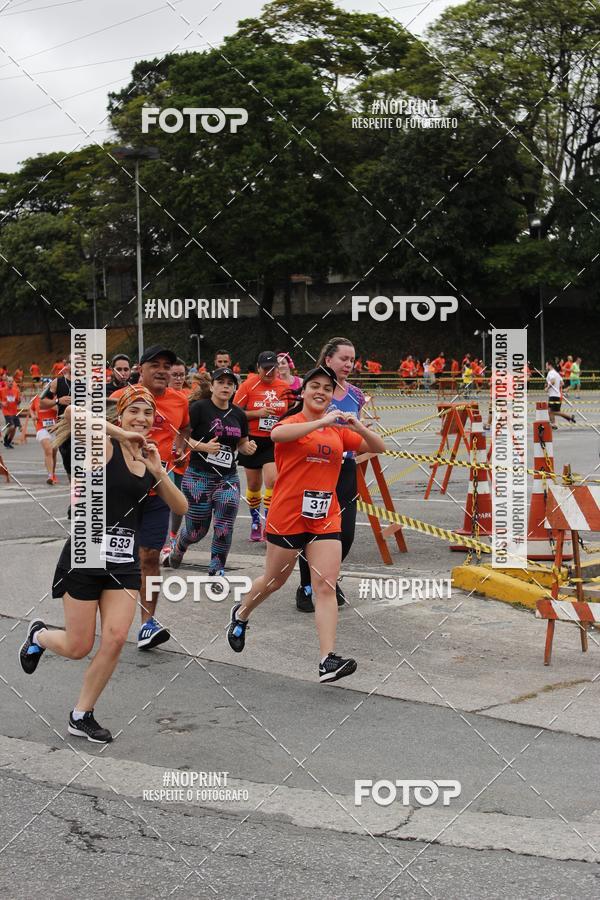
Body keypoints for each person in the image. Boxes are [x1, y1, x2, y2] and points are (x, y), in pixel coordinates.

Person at [19, 386, 187, 743]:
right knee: (79, 646)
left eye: (147, 414)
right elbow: (71, 415)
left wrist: (159, 471)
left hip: (123, 563)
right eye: (134, 412)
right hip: (85, 556)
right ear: (121, 415)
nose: (141, 419)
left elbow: (181, 508)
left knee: (113, 639)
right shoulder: (103, 445)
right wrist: (120, 432)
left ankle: (82, 714)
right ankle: (40, 635)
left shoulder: (148, 460)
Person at [226, 366, 385, 683]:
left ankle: (327, 659)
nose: (322, 392)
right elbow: (276, 435)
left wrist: (358, 426)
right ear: (304, 391)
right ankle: (242, 613)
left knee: (325, 586)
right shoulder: (294, 423)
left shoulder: (338, 431)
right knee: (274, 581)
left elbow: (377, 447)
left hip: (325, 516)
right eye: (315, 386)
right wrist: (323, 420)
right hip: (288, 515)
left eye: (328, 388)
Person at [109, 345, 190, 650]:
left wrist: (180, 448)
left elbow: (185, 427)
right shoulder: (119, 398)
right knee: (117, 557)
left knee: (150, 557)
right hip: (121, 491)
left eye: (167, 366)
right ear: (139, 369)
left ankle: (147, 623)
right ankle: (101, 614)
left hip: (156, 490)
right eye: (154, 364)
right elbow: (88, 429)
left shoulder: (180, 400)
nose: (162, 370)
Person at [296, 337, 366, 613]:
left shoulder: (357, 395)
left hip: (346, 468)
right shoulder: (315, 391)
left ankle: (327, 577)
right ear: (328, 360)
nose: (349, 364)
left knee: (345, 534)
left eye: (352, 359)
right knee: (312, 531)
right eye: (343, 359)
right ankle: (307, 586)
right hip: (317, 468)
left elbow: (360, 429)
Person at [168, 367, 257, 573]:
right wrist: (203, 447)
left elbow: (242, 442)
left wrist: (248, 447)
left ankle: (216, 569)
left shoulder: (238, 414)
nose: (225, 386)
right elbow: (182, 436)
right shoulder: (199, 408)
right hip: (198, 476)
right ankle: (180, 545)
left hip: (228, 478)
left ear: (235, 388)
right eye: (221, 382)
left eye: (230, 383)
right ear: (212, 385)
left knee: (224, 526)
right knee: (197, 530)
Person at [234, 351, 293, 540]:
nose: (270, 372)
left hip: (273, 440)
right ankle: (255, 521)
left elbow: (293, 409)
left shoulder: (284, 387)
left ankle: (269, 523)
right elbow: (234, 412)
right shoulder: (248, 385)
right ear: (258, 368)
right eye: (266, 368)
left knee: (273, 481)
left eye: (273, 368)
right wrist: (257, 413)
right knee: (253, 484)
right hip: (251, 440)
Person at [159, 358, 192, 562]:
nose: (179, 378)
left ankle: (172, 537)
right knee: (164, 502)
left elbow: (187, 428)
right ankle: (163, 545)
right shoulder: (157, 396)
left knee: (180, 505)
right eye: (175, 374)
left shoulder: (187, 397)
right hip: (164, 461)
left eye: (182, 375)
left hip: (184, 459)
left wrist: (182, 447)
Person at [40, 356, 72, 479]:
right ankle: (73, 489)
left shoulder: (88, 383)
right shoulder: (57, 382)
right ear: (67, 365)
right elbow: (42, 402)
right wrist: (58, 401)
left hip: (83, 425)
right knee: (68, 461)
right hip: (63, 427)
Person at [19, 392, 58, 482]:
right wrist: (33, 415)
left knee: (54, 452)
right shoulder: (37, 398)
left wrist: (49, 404)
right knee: (48, 450)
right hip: (41, 427)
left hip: (54, 428)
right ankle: (50, 476)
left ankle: (53, 473)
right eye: (45, 388)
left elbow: (60, 409)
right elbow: (31, 409)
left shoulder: (57, 398)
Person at [545, 361, 575, 428]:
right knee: (550, 411)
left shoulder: (551, 373)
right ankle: (553, 424)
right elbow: (562, 383)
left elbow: (553, 381)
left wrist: (547, 387)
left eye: (546, 365)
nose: (545, 367)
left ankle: (570, 417)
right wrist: (553, 386)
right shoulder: (557, 373)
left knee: (554, 411)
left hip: (554, 395)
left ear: (550, 365)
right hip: (555, 394)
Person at [1, 375, 21, 448]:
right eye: (9, 381)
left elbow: (18, 402)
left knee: (15, 427)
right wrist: (1, 403)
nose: (11, 383)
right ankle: (5, 438)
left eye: (12, 381)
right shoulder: (2, 390)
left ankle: (8, 442)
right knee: (11, 426)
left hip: (14, 411)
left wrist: (19, 401)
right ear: (6, 382)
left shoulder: (16, 390)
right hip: (6, 411)